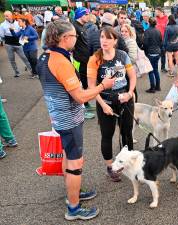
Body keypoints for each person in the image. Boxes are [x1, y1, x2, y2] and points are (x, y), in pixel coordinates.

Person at [36, 19, 116, 220]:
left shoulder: (44, 57)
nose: (76, 38)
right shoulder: (61, 61)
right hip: (69, 119)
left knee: (68, 155)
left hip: (59, 115)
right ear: (64, 38)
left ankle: (73, 192)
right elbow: (80, 96)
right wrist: (102, 86)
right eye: (74, 36)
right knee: (75, 161)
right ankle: (73, 208)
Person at [87, 27, 137, 182]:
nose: (104, 40)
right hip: (105, 102)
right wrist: (103, 105)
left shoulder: (122, 55)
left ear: (115, 41)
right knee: (107, 135)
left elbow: (132, 76)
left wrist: (129, 93)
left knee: (127, 133)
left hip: (124, 99)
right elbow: (91, 87)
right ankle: (110, 168)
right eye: (102, 37)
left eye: (108, 38)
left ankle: (128, 162)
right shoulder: (94, 58)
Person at [72, 7, 95, 119]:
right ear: (81, 15)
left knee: (85, 83)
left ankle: (86, 104)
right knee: (80, 85)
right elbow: (71, 44)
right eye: (86, 15)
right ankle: (82, 110)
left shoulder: (82, 26)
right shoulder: (74, 27)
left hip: (85, 60)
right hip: (79, 61)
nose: (88, 16)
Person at [0, 11, 33, 78]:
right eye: (5, 16)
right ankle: (16, 72)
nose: (6, 17)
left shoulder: (18, 22)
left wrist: (23, 42)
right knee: (12, 59)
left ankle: (32, 71)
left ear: (11, 15)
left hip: (18, 44)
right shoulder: (2, 25)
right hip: (9, 44)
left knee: (24, 57)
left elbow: (23, 31)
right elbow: (2, 35)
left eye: (7, 15)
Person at [143, 17, 162, 93]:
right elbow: (161, 41)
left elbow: (145, 43)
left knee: (151, 71)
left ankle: (152, 88)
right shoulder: (158, 31)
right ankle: (158, 86)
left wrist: (146, 52)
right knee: (156, 70)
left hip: (151, 53)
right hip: (157, 52)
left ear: (149, 23)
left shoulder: (147, 31)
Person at [155, 7, 169, 73]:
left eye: (156, 11)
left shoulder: (166, 18)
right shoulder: (155, 19)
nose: (155, 13)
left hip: (164, 40)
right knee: (155, 54)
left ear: (160, 12)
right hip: (156, 40)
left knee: (163, 54)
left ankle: (163, 67)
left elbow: (168, 29)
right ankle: (154, 67)